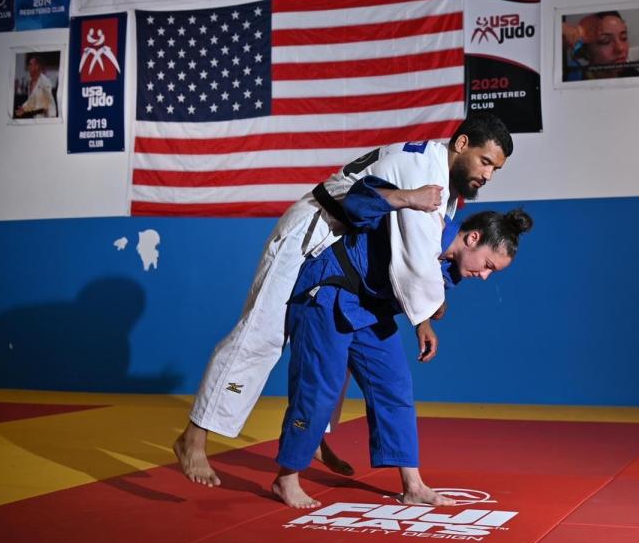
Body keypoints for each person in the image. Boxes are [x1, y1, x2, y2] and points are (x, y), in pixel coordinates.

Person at [174, 114, 513, 487]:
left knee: (342, 349)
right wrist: (425, 314)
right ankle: (195, 436)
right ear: (462, 144)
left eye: (496, 169)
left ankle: (313, 435)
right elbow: (414, 255)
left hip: (342, 244)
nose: (489, 175)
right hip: (315, 227)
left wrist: (430, 304)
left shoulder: (444, 185)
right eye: (486, 162)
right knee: (264, 333)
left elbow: (421, 251)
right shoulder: (425, 169)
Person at [273, 176, 533, 508]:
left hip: (369, 310)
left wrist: (425, 319)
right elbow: (362, 202)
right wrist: (406, 197)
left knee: (395, 387)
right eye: (487, 266)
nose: (484, 276)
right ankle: (287, 477)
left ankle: (413, 485)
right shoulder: (424, 217)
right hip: (329, 290)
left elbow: (413, 288)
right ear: (472, 238)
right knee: (319, 387)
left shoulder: (453, 270)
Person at [561, 11, 639, 81]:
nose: (620, 48)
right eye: (605, 41)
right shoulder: (573, 80)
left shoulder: (633, 75)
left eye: (623, 38)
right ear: (586, 50)